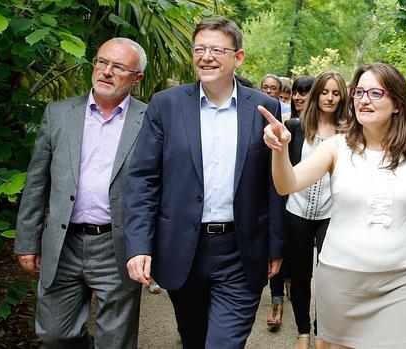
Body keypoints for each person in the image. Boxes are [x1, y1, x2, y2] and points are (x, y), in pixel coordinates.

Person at [260, 62, 406, 349]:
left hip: (402, 283)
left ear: (397, 103)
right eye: (359, 92)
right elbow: (287, 184)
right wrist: (280, 151)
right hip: (342, 282)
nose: (364, 99)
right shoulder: (336, 147)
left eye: (375, 93)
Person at [124, 17, 285, 349]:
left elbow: (274, 182)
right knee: (194, 339)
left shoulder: (263, 108)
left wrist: (275, 244)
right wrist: (139, 244)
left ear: (237, 57)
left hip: (240, 250)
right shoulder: (165, 105)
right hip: (183, 247)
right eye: (199, 49)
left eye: (216, 49)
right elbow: (143, 179)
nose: (206, 57)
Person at [14, 38, 147, 348]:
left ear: (137, 78)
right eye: (101, 62)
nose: (106, 71)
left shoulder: (150, 119)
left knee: (115, 341)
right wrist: (27, 240)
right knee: (54, 334)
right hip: (64, 243)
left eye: (118, 67)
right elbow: (37, 182)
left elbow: (158, 186)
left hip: (118, 244)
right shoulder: (59, 114)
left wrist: (149, 246)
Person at [282, 71, 346, 349]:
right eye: (324, 92)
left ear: (342, 96)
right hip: (296, 212)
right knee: (300, 275)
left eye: (335, 93)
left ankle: (322, 332)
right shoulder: (296, 126)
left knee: (328, 276)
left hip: (331, 214)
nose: (330, 98)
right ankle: (303, 332)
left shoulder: (350, 131)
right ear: (316, 94)